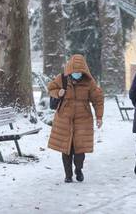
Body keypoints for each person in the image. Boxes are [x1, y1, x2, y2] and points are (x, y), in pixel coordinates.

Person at [47, 54, 104, 183]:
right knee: (66, 148)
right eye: (74, 71)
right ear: (70, 69)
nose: (77, 73)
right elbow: (50, 88)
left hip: (83, 119)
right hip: (64, 118)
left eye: (79, 71)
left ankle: (78, 169)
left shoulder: (89, 82)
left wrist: (99, 117)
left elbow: (98, 99)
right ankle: (68, 175)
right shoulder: (62, 79)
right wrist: (58, 93)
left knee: (79, 149)